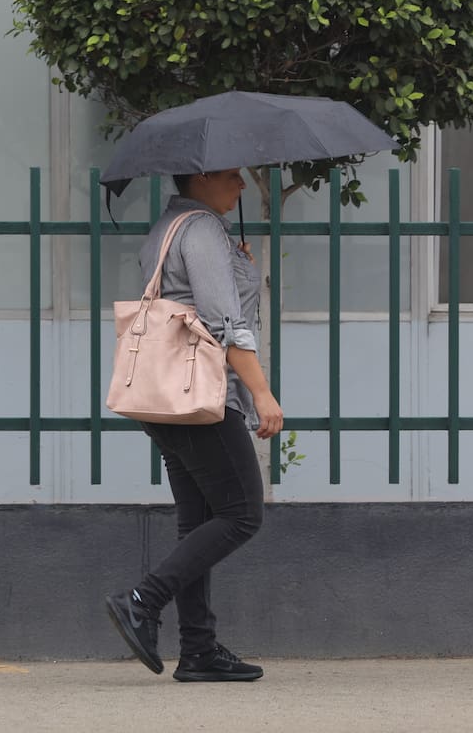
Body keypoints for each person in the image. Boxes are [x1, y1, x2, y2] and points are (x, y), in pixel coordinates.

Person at [104, 167, 284, 683]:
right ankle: (143, 599)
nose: (242, 186)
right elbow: (222, 322)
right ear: (201, 176)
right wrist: (261, 391)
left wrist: (239, 270)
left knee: (199, 519)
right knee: (243, 513)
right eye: (232, 176)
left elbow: (191, 299)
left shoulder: (168, 226)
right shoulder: (202, 229)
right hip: (203, 397)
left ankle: (199, 650)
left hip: (165, 401)